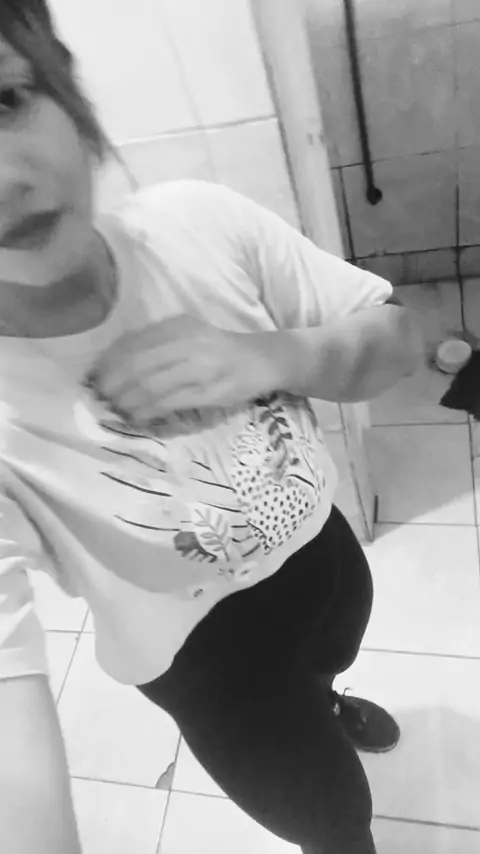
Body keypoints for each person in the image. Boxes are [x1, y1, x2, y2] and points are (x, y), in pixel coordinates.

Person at [0, 3, 423, 853]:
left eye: (6, 101)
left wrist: (278, 354)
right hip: (214, 671)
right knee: (334, 822)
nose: (5, 179)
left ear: (63, 83)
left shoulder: (196, 223)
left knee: (336, 649)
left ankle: (326, 701)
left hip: (322, 554)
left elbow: (402, 339)